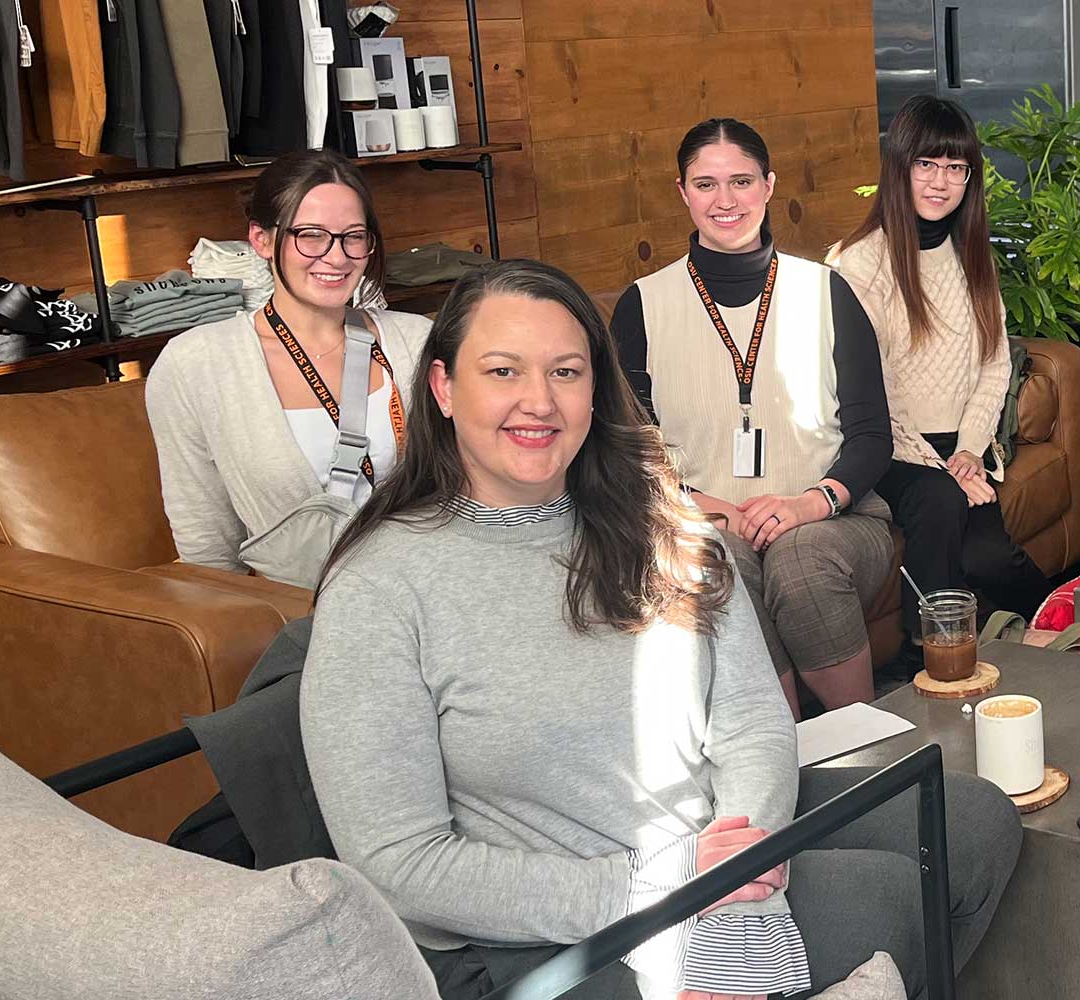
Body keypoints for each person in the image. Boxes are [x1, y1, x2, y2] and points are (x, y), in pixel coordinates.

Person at [302, 259, 1022, 1000]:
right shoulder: (379, 585)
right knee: (895, 898)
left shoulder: (662, 525)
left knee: (972, 826)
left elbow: (751, 720)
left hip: (713, 843)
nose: (538, 401)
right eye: (503, 371)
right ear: (445, 387)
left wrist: (741, 871)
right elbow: (401, 862)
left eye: (565, 372)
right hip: (558, 912)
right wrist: (662, 890)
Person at [611, 118, 897, 713]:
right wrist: (709, 509)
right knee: (719, 561)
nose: (726, 200)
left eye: (741, 181)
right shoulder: (643, 305)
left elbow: (872, 436)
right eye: (706, 184)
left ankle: (862, 743)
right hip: (702, 519)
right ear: (682, 193)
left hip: (834, 515)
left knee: (801, 560)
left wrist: (808, 504)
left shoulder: (827, 292)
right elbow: (628, 450)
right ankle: (782, 747)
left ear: (768, 186)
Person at [147, 149, 432, 588]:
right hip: (303, 608)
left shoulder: (416, 341)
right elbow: (207, 551)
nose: (337, 257)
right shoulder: (196, 366)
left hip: (427, 586)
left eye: (354, 236)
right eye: (311, 235)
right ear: (261, 239)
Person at [831, 95, 1049, 624]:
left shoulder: (972, 254)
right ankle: (930, 652)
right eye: (925, 164)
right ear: (898, 167)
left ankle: (1061, 623)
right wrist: (941, 468)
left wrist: (970, 449)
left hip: (961, 446)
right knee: (939, 502)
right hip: (890, 449)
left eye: (956, 168)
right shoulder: (857, 264)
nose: (940, 182)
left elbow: (995, 364)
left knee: (990, 558)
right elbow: (870, 388)